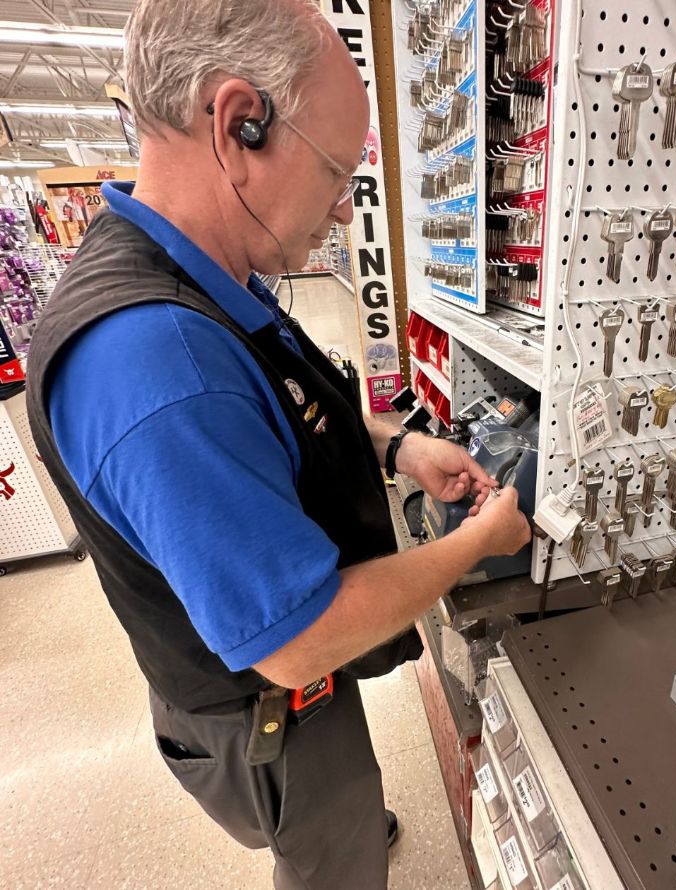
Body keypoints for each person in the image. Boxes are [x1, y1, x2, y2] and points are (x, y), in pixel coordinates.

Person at [25, 2, 531, 889]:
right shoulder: (159, 362)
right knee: (331, 857)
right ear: (236, 126)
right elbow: (298, 641)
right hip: (269, 717)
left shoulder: (198, 273)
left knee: (342, 810)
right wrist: (471, 547)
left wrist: (397, 447)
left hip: (265, 680)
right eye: (338, 171)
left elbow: (277, 411)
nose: (343, 210)